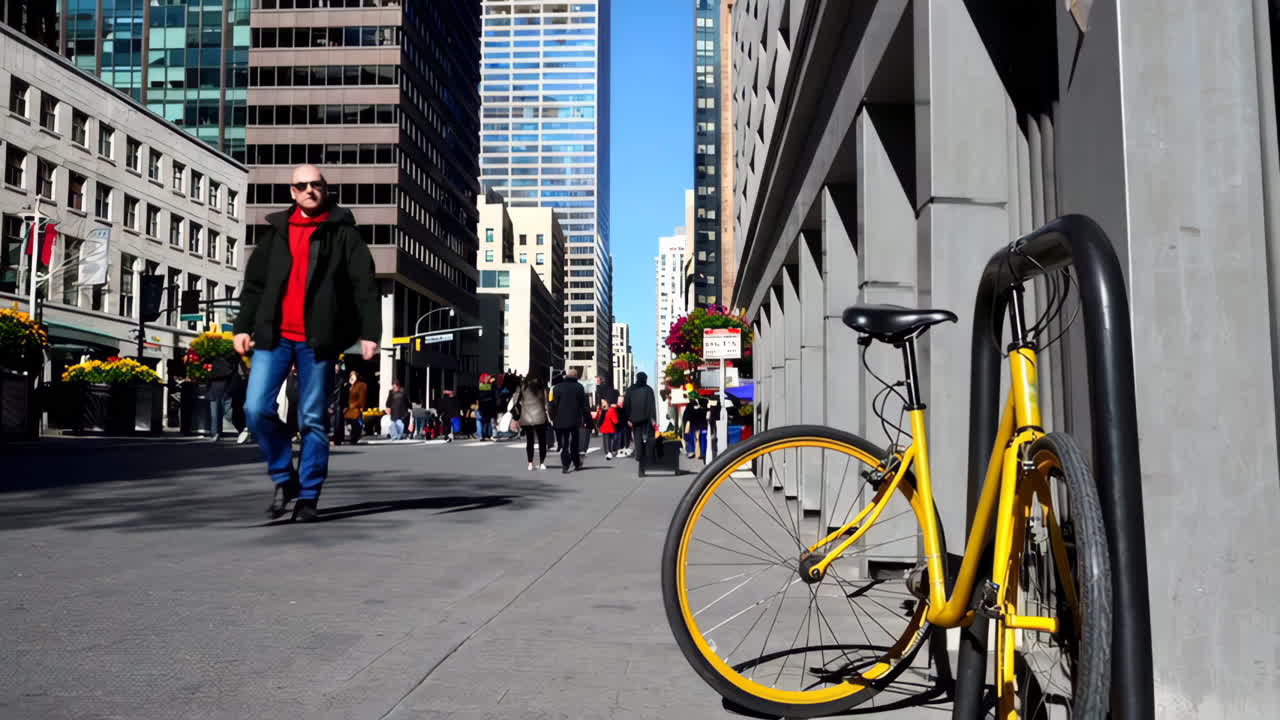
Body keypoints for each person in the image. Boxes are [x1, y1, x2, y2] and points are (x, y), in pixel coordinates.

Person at [234, 163, 380, 522]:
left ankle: (308, 497)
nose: (310, 190)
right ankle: (286, 477)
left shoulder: (343, 233)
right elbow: (253, 287)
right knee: (255, 410)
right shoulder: (276, 233)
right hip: (274, 335)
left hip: (319, 340)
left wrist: (370, 333)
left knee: (313, 419)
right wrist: (243, 326)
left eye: (316, 184)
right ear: (292, 192)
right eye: (302, 186)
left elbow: (364, 284)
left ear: (325, 188)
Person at [549, 368, 590, 473]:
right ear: (576, 377)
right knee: (574, 443)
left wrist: (552, 417)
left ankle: (565, 464)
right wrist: (587, 419)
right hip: (574, 420)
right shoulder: (579, 387)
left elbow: (552, 405)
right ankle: (576, 463)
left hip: (560, 420)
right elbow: (584, 406)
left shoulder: (557, 388)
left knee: (564, 443)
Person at [623, 372, 658, 476]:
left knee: (637, 439)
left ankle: (639, 458)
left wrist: (627, 418)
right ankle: (649, 459)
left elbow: (626, 405)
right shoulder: (649, 389)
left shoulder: (630, 390)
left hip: (635, 419)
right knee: (649, 440)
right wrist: (653, 419)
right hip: (647, 419)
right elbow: (652, 406)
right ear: (645, 379)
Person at [515, 375, 550, 470]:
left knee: (530, 441)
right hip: (540, 417)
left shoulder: (522, 387)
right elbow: (546, 403)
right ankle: (542, 462)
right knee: (542, 441)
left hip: (527, 417)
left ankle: (530, 463)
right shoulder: (541, 387)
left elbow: (515, 402)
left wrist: (517, 416)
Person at [207, 353, 238, 442]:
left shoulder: (213, 361)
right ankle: (216, 433)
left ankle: (216, 433)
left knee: (216, 414)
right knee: (227, 412)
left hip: (218, 389)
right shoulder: (229, 362)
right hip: (223, 389)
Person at [344, 370, 367, 444]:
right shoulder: (348, 385)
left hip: (356, 408)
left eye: (353, 375)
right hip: (348, 409)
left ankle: (354, 438)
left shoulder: (361, 385)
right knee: (349, 424)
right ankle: (353, 437)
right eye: (350, 375)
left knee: (356, 424)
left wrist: (360, 406)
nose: (351, 377)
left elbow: (362, 397)